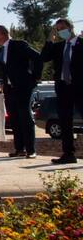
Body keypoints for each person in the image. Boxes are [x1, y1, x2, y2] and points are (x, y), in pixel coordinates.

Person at [0, 25, 43, 158]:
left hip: (23, 87)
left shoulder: (19, 45)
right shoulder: (0, 52)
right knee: (14, 118)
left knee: (25, 117)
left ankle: (31, 150)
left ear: (2, 34)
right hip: (10, 89)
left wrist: (35, 77)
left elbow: (37, 57)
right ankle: (19, 149)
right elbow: (5, 70)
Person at [40, 19, 82, 164]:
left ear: (70, 28)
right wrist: (49, 40)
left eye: (62, 28)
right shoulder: (58, 47)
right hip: (63, 87)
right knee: (65, 121)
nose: (60, 31)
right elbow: (44, 57)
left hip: (80, 87)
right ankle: (68, 154)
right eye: (57, 30)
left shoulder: (81, 44)